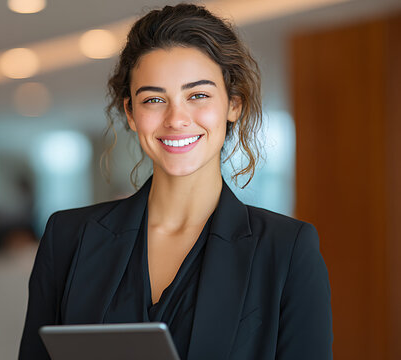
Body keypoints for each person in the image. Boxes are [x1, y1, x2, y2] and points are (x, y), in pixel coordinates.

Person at [19, 3, 332, 360]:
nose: (176, 119)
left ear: (233, 104)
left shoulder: (287, 250)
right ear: (131, 113)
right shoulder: (68, 237)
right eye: (154, 99)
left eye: (197, 95)